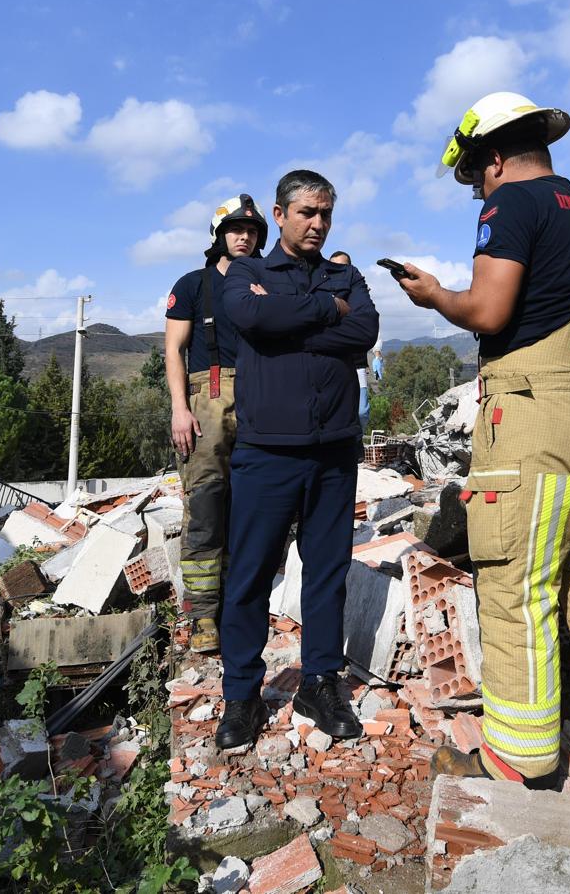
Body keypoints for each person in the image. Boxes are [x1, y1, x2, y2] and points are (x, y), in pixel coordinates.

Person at [390, 91, 570, 811]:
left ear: (492, 158)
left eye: (475, 176)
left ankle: (520, 762)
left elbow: (487, 311)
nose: (477, 190)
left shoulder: (510, 205)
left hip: (531, 422)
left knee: (518, 589)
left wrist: (435, 297)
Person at [214, 170, 380, 750]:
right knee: (251, 574)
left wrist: (296, 318)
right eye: (306, 212)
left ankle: (319, 681)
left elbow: (365, 330)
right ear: (280, 216)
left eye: (325, 214)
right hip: (266, 452)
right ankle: (241, 695)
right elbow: (253, 320)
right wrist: (326, 313)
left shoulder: (346, 274)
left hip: (334, 448)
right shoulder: (248, 272)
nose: (317, 223)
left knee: (328, 572)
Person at [164, 195, 267, 654]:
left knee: (254, 506)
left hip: (262, 395)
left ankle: (241, 603)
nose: (244, 236)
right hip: (206, 397)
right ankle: (203, 614)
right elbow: (172, 351)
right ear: (219, 235)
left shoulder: (268, 280)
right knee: (205, 502)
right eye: (235, 229)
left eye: (251, 230)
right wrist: (179, 409)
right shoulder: (192, 284)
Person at [327, 250, 371, 432]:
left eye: (342, 266)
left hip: (357, 365)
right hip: (333, 363)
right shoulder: (324, 296)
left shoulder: (359, 295)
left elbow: (369, 326)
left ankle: (357, 439)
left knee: (360, 411)